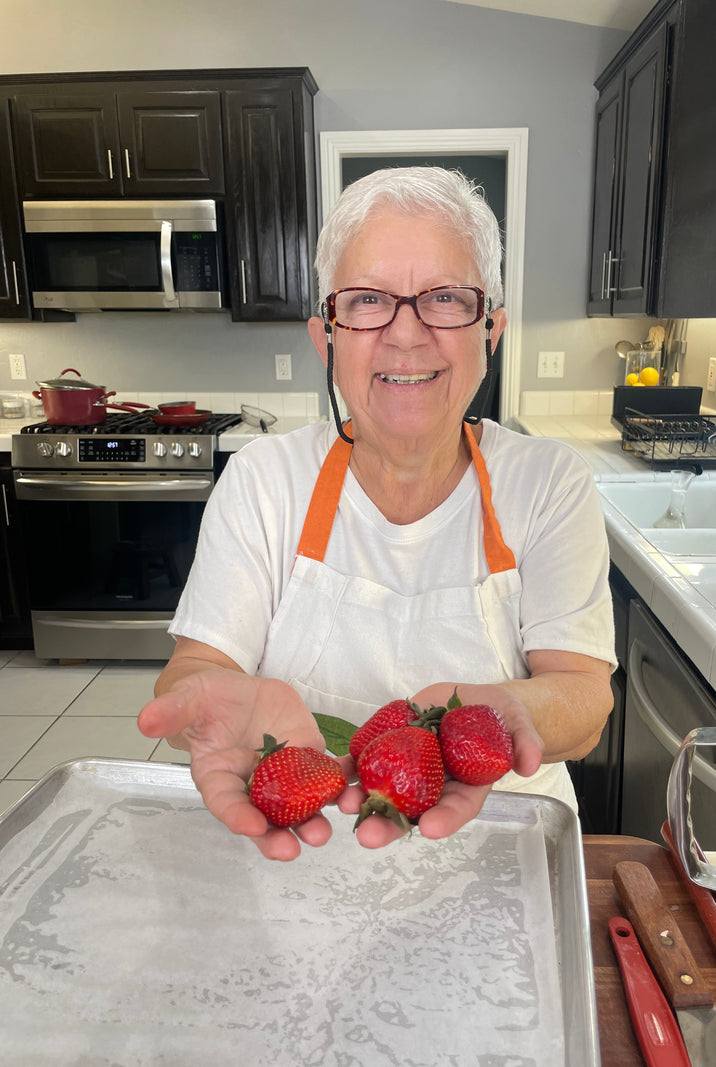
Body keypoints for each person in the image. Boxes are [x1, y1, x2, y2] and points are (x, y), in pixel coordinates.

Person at [138, 166, 616, 861]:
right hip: (306, 857)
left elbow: (583, 699)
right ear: (324, 336)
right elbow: (195, 671)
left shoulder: (549, 483)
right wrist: (207, 704)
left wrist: (501, 715)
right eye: (366, 301)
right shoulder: (263, 481)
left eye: (446, 297)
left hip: (499, 859)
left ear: (492, 330)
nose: (406, 333)